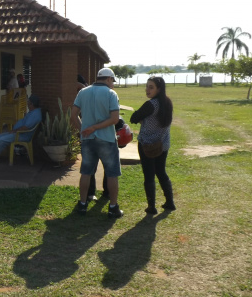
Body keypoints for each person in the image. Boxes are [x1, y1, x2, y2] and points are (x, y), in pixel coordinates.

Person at [70, 68, 123, 218]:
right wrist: (95, 127)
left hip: (88, 140)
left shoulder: (83, 92)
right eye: (112, 81)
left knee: (86, 172)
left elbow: (73, 115)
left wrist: (84, 130)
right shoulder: (111, 94)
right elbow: (114, 119)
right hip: (106, 139)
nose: (113, 84)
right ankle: (113, 207)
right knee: (112, 174)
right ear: (108, 79)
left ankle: (82, 204)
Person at [130, 76, 176, 214]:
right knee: (161, 172)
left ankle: (152, 207)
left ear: (159, 89)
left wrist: (142, 119)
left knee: (149, 175)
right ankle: (170, 202)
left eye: (151, 87)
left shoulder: (150, 105)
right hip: (163, 144)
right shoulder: (167, 103)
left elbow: (133, 118)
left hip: (148, 146)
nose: (147, 90)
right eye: (147, 86)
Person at [0, 95, 42, 162]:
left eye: (28, 102)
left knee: (1, 139)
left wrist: (14, 131)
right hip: (19, 133)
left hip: (22, 135)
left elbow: (25, 127)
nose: (27, 103)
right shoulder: (34, 111)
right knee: (0, 135)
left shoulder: (35, 114)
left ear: (32, 104)